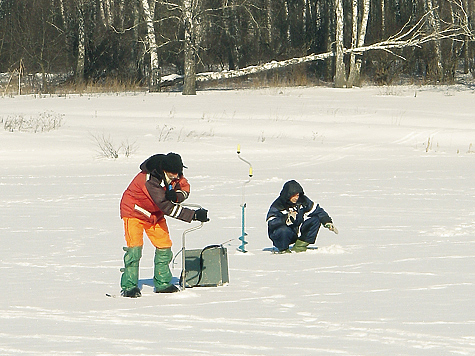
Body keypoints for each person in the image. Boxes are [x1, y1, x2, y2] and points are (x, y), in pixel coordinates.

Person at [119, 152, 209, 297]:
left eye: (178, 174)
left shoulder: (176, 174)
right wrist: (194, 215)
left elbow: (185, 188)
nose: (176, 177)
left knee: (164, 245)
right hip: (134, 212)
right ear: (164, 170)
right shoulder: (149, 181)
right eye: (172, 174)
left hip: (155, 214)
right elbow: (168, 207)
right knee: (134, 249)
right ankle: (129, 286)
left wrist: (177, 195)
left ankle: (163, 283)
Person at [266, 180, 338, 253]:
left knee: (316, 220)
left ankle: (300, 246)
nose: (296, 198)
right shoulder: (278, 204)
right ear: (287, 195)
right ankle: (283, 250)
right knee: (283, 230)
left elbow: (317, 210)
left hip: (294, 232)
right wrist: (285, 219)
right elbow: (271, 222)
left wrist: (327, 221)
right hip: (280, 235)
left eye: (297, 195)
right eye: (293, 195)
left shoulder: (302, 200)